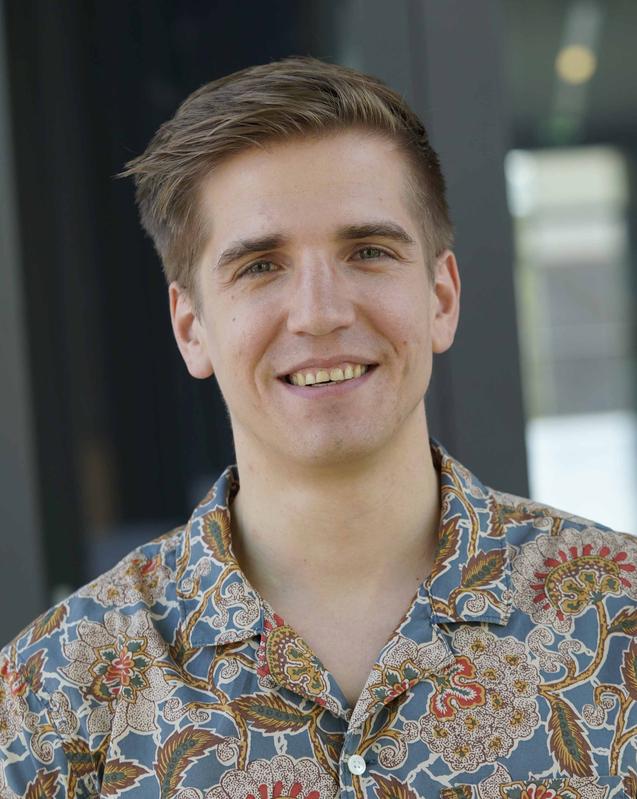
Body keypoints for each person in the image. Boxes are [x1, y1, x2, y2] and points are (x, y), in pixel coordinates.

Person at [1, 56, 636, 799]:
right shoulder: (53, 693)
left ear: (440, 298)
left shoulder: (620, 624)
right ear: (191, 328)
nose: (320, 312)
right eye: (260, 266)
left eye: (367, 252)